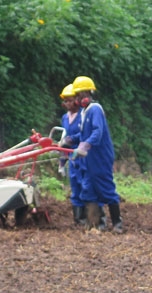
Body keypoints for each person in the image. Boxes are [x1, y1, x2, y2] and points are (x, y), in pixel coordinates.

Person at [69, 75, 123, 234]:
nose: (78, 99)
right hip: (88, 158)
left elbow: (97, 132)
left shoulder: (95, 109)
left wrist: (84, 145)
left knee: (106, 189)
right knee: (88, 190)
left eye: (79, 95)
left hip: (100, 157)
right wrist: (70, 140)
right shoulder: (84, 112)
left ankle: (117, 223)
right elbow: (84, 134)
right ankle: (96, 224)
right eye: (76, 96)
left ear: (87, 94)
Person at [58, 84, 87, 226]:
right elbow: (64, 138)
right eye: (66, 101)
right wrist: (61, 163)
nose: (68, 104)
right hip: (71, 157)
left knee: (85, 186)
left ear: (77, 100)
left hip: (83, 155)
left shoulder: (83, 114)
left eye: (70, 100)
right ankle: (78, 220)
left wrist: (71, 139)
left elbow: (84, 134)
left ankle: (88, 218)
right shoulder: (64, 118)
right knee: (75, 187)